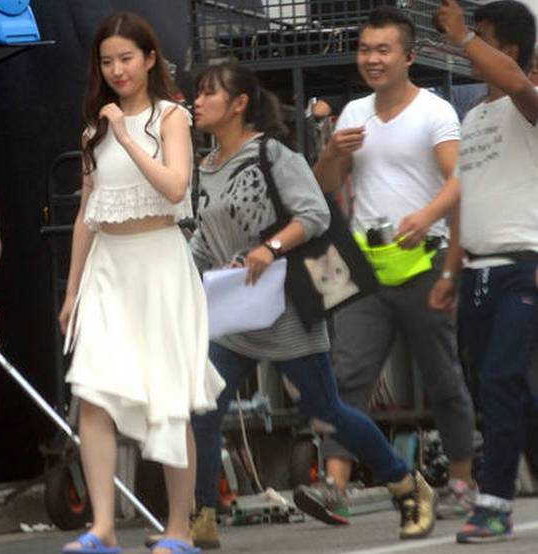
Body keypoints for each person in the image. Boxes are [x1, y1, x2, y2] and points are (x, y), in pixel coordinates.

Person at [186, 61, 437, 549]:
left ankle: (406, 484)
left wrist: (271, 247)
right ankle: (203, 515)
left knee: (326, 409)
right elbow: (205, 238)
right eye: (197, 93)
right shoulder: (206, 167)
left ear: (239, 104)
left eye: (208, 93)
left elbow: (315, 214)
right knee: (204, 407)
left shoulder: (272, 154)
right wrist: (183, 273)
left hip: (287, 309)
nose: (197, 101)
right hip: (234, 314)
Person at [58, 12, 224, 554]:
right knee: (92, 391)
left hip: (159, 266)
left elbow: (175, 187)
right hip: (108, 266)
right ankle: (103, 527)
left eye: (126, 58)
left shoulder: (171, 116)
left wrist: (128, 138)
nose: (117, 70)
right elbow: (87, 214)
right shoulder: (94, 129)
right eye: (107, 61)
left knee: (169, 400)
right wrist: (71, 291)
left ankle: (179, 529)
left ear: (150, 59)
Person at [307, 5, 476, 525]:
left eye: (383, 50)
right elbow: (324, 186)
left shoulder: (435, 112)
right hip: (364, 264)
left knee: (442, 377)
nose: (372, 59)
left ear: (409, 56)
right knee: (348, 374)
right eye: (365, 49)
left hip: (424, 260)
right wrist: (332, 152)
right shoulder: (353, 114)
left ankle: (461, 481)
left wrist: (426, 216)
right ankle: (334, 485)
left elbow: (460, 177)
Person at [430, 0, 538, 543]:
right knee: (503, 388)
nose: (469, 46)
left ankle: (493, 502)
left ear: (510, 49)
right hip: (476, 274)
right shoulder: (471, 118)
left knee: (500, 381)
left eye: (483, 37)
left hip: (524, 268)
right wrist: (451, 273)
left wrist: (459, 36)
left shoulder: (528, 102)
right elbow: (465, 200)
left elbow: (516, 82)